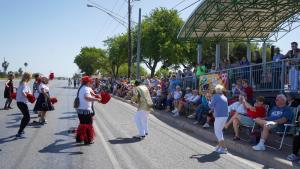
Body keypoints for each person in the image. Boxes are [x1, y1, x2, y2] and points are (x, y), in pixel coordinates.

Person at [75, 76, 101, 144]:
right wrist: (97, 99)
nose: (91, 83)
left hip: (80, 110)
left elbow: (92, 93)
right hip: (85, 110)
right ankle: (88, 140)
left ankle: (79, 138)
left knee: (83, 124)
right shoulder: (86, 89)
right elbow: (87, 97)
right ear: (88, 82)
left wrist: (96, 95)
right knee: (88, 125)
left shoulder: (82, 88)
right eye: (90, 82)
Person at [208, 85, 229, 154]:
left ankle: (224, 148)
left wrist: (208, 100)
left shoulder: (216, 96)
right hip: (225, 116)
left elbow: (211, 106)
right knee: (220, 131)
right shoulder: (224, 96)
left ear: (216, 90)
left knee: (217, 132)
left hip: (219, 116)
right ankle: (220, 146)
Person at [15, 72, 32, 138]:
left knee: (25, 117)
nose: (30, 78)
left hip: (19, 102)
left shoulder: (21, 83)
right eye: (30, 77)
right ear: (28, 77)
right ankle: (19, 133)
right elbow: (23, 92)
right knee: (27, 118)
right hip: (22, 103)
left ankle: (21, 130)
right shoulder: (25, 84)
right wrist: (29, 97)